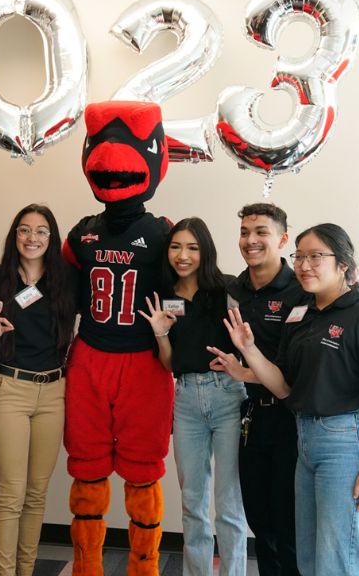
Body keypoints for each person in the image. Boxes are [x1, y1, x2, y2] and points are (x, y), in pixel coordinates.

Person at [210, 223, 359, 576]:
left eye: (316, 256)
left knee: (340, 560)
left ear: (343, 264)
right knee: (310, 558)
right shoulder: (303, 314)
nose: (303, 265)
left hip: (350, 443)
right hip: (307, 441)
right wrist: (249, 351)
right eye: (299, 256)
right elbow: (284, 387)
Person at [61, 101, 173, 576]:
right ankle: (87, 566)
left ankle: (142, 568)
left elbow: (185, 290)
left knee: (143, 468)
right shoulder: (82, 233)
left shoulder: (166, 233)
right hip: (89, 355)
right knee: (86, 465)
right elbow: (54, 293)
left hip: (144, 362)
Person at [137, 218, 246, 576]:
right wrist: (160, 334)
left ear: (205, 251)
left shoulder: (227, 290)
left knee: (229, 505)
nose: (183, 256)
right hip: (185, 401)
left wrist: (239, 363)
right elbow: (169, 364)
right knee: (192, 502)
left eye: (192, 248)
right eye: (176, 247)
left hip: (227, 397)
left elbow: (248, 342)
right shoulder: (164, 297)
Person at [0, 204, 76, 576]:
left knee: (36, 495)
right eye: (24, 230)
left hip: (53, 392)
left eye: (41, 231)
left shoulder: (66, 280)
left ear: (52, 238)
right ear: (14, 235)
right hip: (9, 389)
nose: (32, 238)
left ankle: (27, 571)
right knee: (11, 496)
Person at [226, 203, 307, 576]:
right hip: (250, 416)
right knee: (258, 519)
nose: (251, 240)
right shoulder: (234, 288)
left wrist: (246, 371)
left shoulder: (300, 292)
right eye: (245, 232)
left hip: (290, 422)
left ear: (282, 239)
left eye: (261, 232)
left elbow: (295, 374)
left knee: (286, 522)